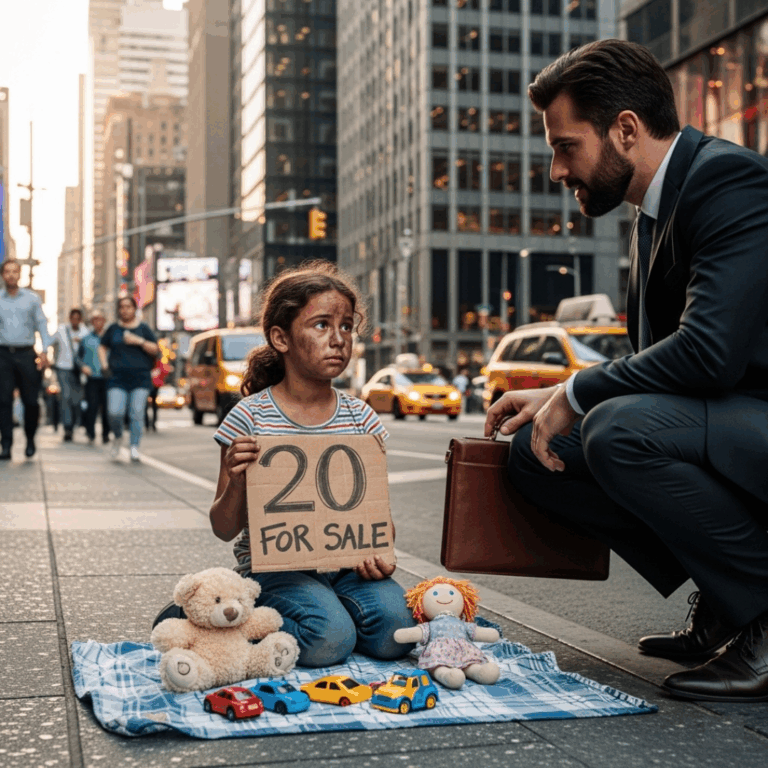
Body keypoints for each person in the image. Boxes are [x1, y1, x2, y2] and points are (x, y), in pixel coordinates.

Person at [485, 39, 768, 703]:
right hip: (728, 421)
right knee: (536, 451)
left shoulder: (731, 183)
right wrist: (557, 397)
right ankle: (727, 598)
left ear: (626, 129)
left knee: (617, 430)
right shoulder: (656, 207)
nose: (557, 170)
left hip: (754, 412)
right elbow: (654, 359)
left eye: (565, 146)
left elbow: (708, 353)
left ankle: (761, 605)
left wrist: (580, 388)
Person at [153, 261, 415, 667]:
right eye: (322, 325)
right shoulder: (249, 417)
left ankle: (329, 612)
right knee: (329, 640)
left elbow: (377, 515)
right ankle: (210, 623)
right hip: (274, 568)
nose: (338, 339)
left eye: (347, 326)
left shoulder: (361, 418)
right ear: (281, 338)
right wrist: (239, 481)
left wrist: (383, 553)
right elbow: (223, 528)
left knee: (397, 634)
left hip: (346, 565)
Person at [0, 259, 51, 459]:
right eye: (7, 271)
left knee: (31, 401)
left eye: (14, 271)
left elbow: (42, 325)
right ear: (3, 275)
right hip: (3, 355)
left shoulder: (32, 299)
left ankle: (30, 438)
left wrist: (45, 351)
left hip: (27, 354)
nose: (11, 275)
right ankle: (6, 445)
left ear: (19, 274)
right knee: (3, 401)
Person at [98, 296, 159, 462]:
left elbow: (155, 349)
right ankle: (117, 437)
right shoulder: (113, 329)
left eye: (128, 307)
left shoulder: (144, 328)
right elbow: (102, 347)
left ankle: (134, 447)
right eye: (122, 307)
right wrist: (104, 365)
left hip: (140, 378)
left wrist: (138, 341)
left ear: (134, 309)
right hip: (117, 378)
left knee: (136, 413)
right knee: (114, 412)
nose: (125, 310)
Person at [50, 308, 88, 442]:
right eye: (73, 318)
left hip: (79, 370)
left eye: (78, 318)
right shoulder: (61, 330)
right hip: (63, 368)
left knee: (76, 400)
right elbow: (50, 341)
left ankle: (73, 423)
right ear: (70, 318)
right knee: (65, 396)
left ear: (81, 319)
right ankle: (67, 428)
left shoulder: (85, 332)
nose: (75, 321)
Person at [77, 310, 110, 445]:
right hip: (92, 378)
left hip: (107, 377)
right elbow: (78, 358)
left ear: (104, 321)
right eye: (95, 320)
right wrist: (83, 367)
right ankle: (90, 433)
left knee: (107, 408)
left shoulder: (110, 338)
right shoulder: (86, 339)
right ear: (92, 322)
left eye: (100, 319)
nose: (98, 322)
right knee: (92, 406)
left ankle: (106, 434)